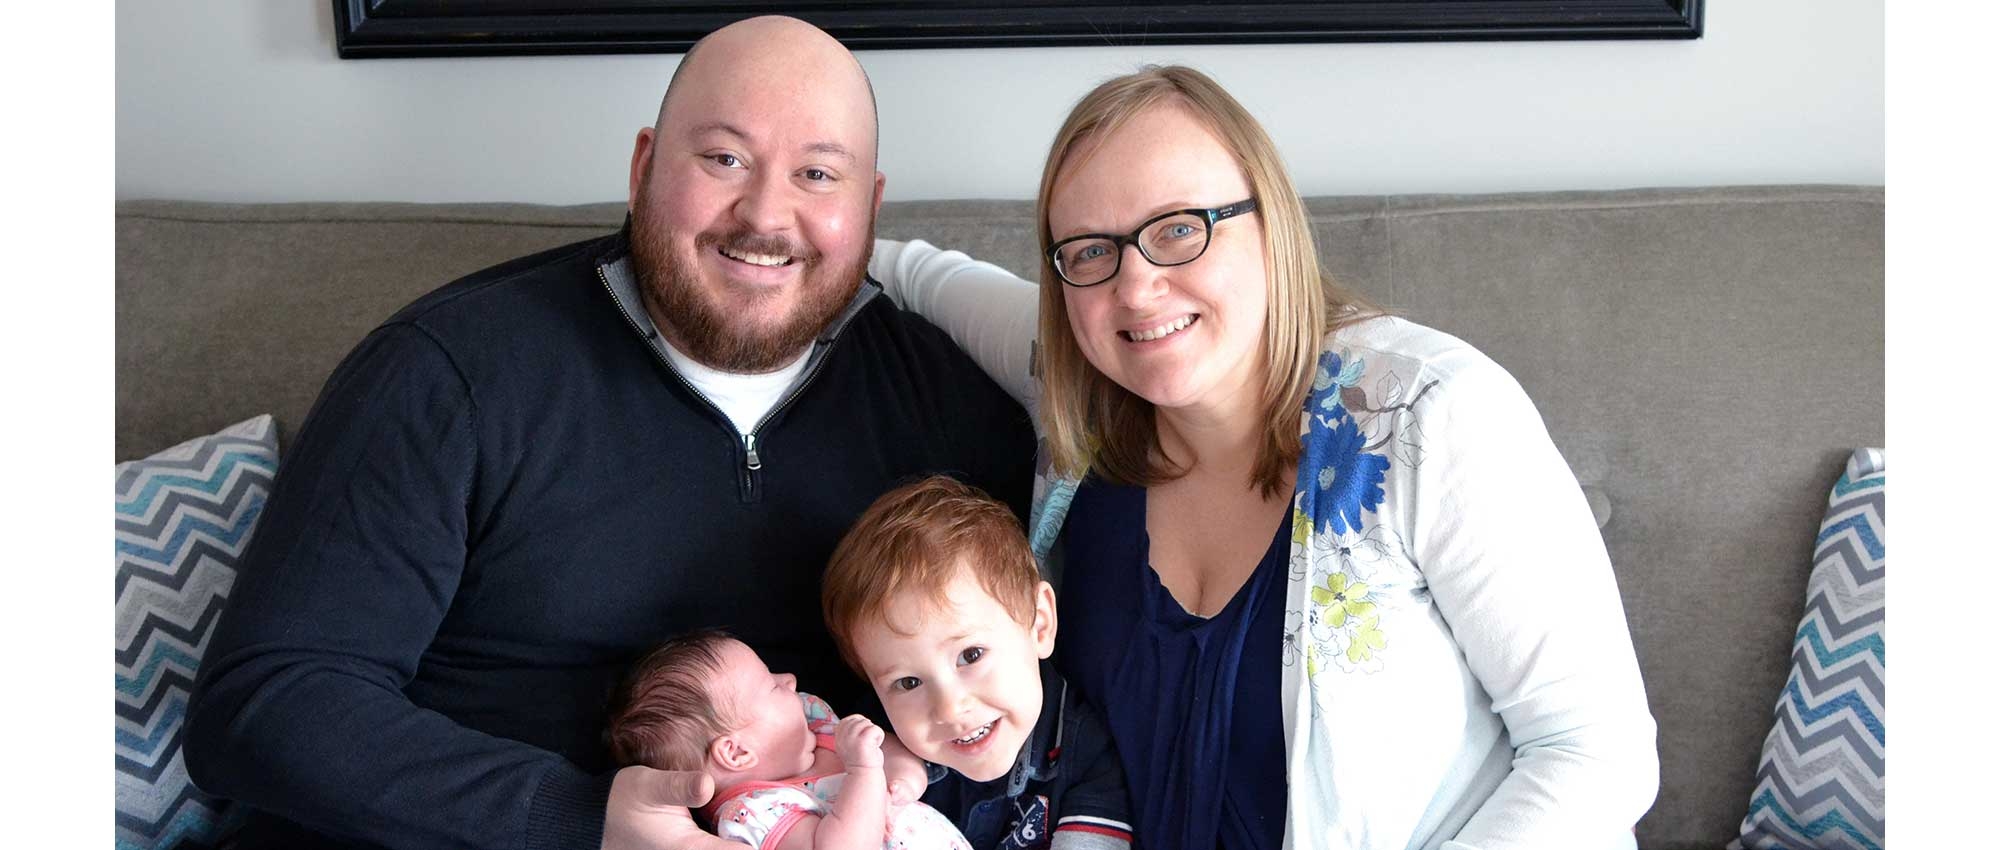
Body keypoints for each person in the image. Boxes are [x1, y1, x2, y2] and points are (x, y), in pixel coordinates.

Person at [182, 16, 1034, 850]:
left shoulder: (944, 404)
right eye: (723, 158)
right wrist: (577, 820)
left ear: (870, 205)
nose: (766, 214)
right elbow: (263, 706)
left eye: (818, 174)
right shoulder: (452, 373)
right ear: (643, 167)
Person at [865, 66, 1659, 849]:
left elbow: (1597, 754)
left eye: (1180, 227)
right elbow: (912, 271)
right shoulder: (1086, 382)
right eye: (1091, 250)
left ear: (1270, 223)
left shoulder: (1427, 413)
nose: (1137, 287)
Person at [820, 476, 1132, 850]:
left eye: (970, 655)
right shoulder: (871, 753)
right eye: (908, 683)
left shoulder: (1087, 757)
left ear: (1040, 624)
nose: (950, 708)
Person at [604, 632, 972, 850]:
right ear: (736, 752)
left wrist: (904, 778)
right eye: (770, 683)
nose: (790, 680)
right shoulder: (756, 813)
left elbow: (889, 749)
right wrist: (864, 771)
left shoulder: (812, 724)